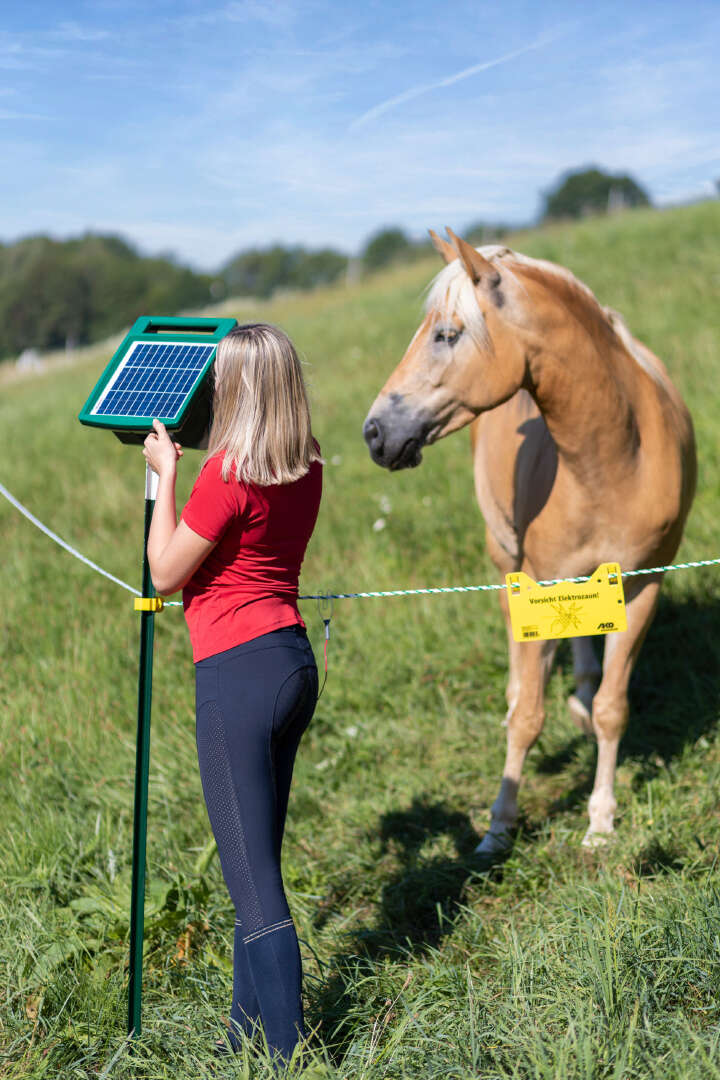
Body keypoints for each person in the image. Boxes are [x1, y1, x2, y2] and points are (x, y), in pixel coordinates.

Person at [141, 323, 323, 1064]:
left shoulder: (226, 474)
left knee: (252, 884)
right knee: (258, 866)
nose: (211, 389)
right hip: (291, 664)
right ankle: (243, 1033)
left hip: (236, 674)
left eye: (220, 379)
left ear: (239, 388)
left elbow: (163, 573)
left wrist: (165, 475)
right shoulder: (306, 463)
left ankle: (288, 1057)